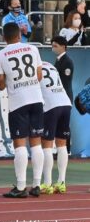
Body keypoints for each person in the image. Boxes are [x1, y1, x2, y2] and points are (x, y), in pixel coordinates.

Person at [0, 22, 44, 198]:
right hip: (36, 98)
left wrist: (10, 81)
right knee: (36, 142)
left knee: (20, 144)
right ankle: (37, 184)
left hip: (18, 102)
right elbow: (39, 75)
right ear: (19, 35)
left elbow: (0, 85)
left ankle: (21, 186)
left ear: (4, 37)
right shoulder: (33, 49)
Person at [39, 61, 72, 195]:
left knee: (46, 145)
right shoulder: (50, 65)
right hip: (65, 103)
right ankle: (62, 182)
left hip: (51, 105)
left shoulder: (34, 68)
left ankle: (47, 184)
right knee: (62, 145)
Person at [52, 36, 74, 102]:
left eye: (55, 46)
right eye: (52, 46)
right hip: (59, 95)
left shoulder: (67, 61)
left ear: (63, 47)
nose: (53, 48)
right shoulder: (59, 59)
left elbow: (65, 81)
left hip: (65, 96)